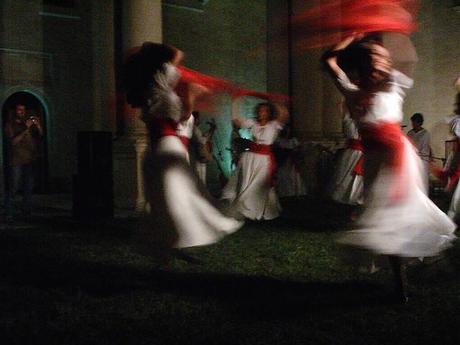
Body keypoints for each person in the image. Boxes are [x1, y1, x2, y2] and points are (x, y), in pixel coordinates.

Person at [323, 34, 456, 302]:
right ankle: (405, 280)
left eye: (382, 57)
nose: (380, 60)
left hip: (397, 156)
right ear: (363, 63)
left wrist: (377, 47)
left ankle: (404, 284)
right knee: (386, 219)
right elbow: (328, 61)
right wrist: (352, 38)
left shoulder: (393, 83)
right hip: (374, 159)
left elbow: (407, 58)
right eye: (373, 56)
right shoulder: (351, 90)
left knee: (392, 216)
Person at [123, 42, 242, 261]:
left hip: (164, 150)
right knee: (178, 198)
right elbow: (182, 118)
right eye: (170, 66)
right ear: (162, 69)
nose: (176, 69)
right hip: (167, 150)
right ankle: (172, 245)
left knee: (173, 199)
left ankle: (171, 246)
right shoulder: (161, 95)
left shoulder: (154, 92)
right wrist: (193, 96)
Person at [221, 99, 289, 220]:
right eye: (260, 111)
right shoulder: (253, 123)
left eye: (265, 111)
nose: (262, 113)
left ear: (269, 113)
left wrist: (276, 100)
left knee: (259, 183)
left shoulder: (274, 125)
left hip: (264, 160)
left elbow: (284, 115)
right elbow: (237, 122)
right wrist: (235, 102)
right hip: (250, 157)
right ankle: (244, 208)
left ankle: (256, 209)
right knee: (246, 182)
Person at [4, 103, 43, 220]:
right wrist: (26, 128)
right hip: (16, 161)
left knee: (28, 187)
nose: (21, 112)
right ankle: (9, 212)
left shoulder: (29, 124)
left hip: (30, 160)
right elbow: (13, 142)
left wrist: (38, 125)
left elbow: (40, 136)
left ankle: (26, 212)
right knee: (14, 187)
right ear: (15, 111)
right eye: (19, 109)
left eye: (23, 110)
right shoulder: (10, 125)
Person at [328, 101, 364, 206]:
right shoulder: (348, 120)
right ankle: (342, 196)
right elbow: (340, 105)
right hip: (351, 152)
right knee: (345, 173)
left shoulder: (364, 123)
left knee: (357, 177)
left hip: (360, 152)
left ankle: (354, 196)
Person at [407, 113, 431, 192]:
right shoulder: (410, 133)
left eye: (415, 122)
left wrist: (416, 154)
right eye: (412, 122)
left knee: (422, 182)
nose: (413, 124)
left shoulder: (425, 134)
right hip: (412, 161)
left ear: (419, 122)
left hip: (422, 161)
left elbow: (424, 148)